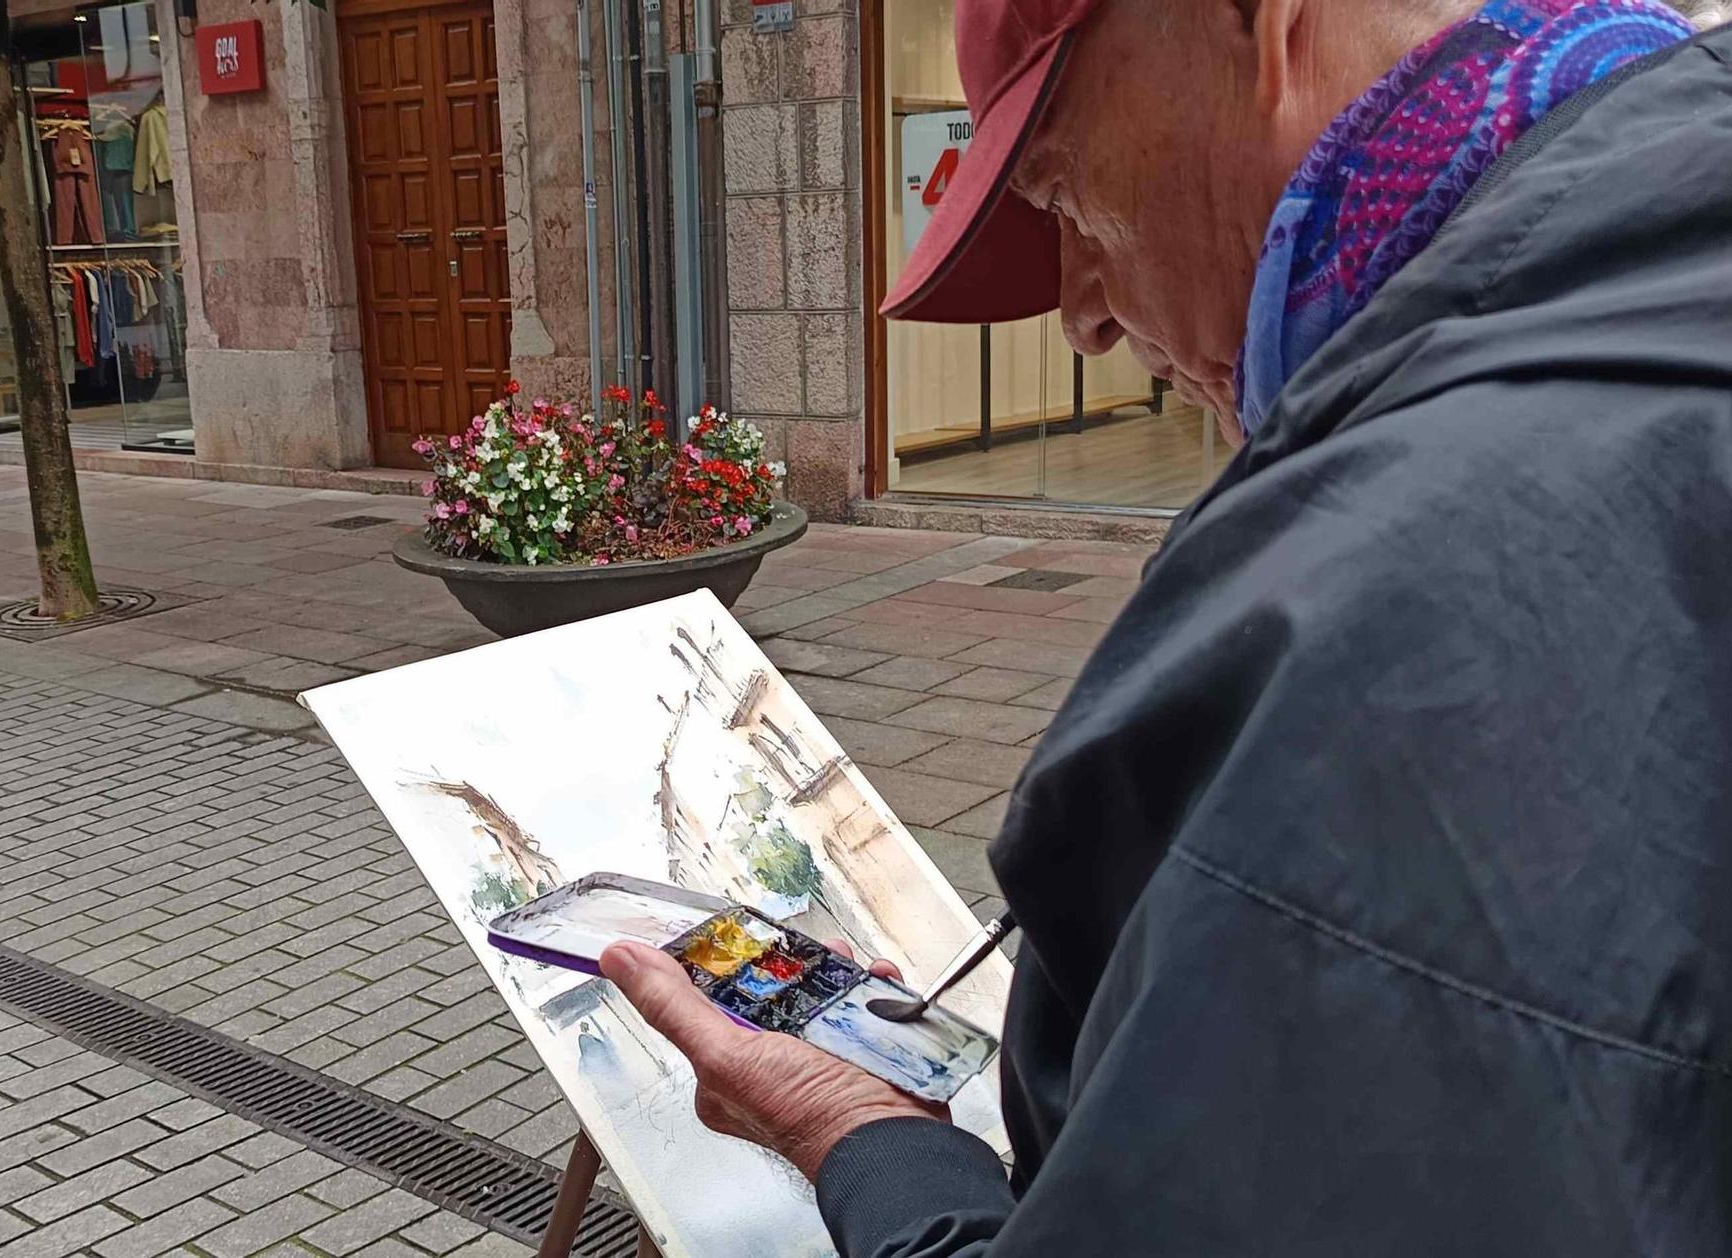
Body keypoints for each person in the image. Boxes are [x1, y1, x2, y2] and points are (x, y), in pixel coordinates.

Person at [600, 0, 1732, 1251]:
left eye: (1066, 192)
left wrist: (868, 1145)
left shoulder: (1413, 594)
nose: (1081, 313)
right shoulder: (1658, 297)